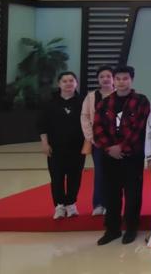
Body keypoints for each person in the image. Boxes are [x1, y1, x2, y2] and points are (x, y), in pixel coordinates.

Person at [93, 65, 151, 245]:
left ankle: (131, 228)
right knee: (111, 194)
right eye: (118, 79)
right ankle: (112, 229)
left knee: (133, 194)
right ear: (113, 80)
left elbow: (139, 128)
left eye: (125, 78)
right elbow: (97, 127)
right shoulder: (104, 103)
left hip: (132, 155)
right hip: (109, 155)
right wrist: (110, 148)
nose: (121, 82)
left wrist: (122, 147)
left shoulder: (141, 101)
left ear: (131, 80)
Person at [39, 71, 85, 220]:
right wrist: (45, 143)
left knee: (75, 177)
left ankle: (71, 204)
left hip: (77, 148)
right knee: (57, 177)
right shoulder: (50, 103)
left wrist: (87, 144)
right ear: (59, 84)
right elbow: (42, 125)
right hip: (55, 148)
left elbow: (88, 124)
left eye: (71, 80)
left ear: (76, 83)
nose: (68, 83)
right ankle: (59, 206)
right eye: (64, 81)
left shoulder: (83, 102)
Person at [80, 65, 115, 216]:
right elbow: (85, 116)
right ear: (98, 80)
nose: (105, 79)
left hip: (116, 142)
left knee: (114, 174)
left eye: (108, 76)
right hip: (97, 141)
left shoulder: (119, 94)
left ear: (113, 78)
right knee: (100, 172)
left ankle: (111, 205)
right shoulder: (91, 96)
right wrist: (91, 137)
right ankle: (98, 204)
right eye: (102, 77)